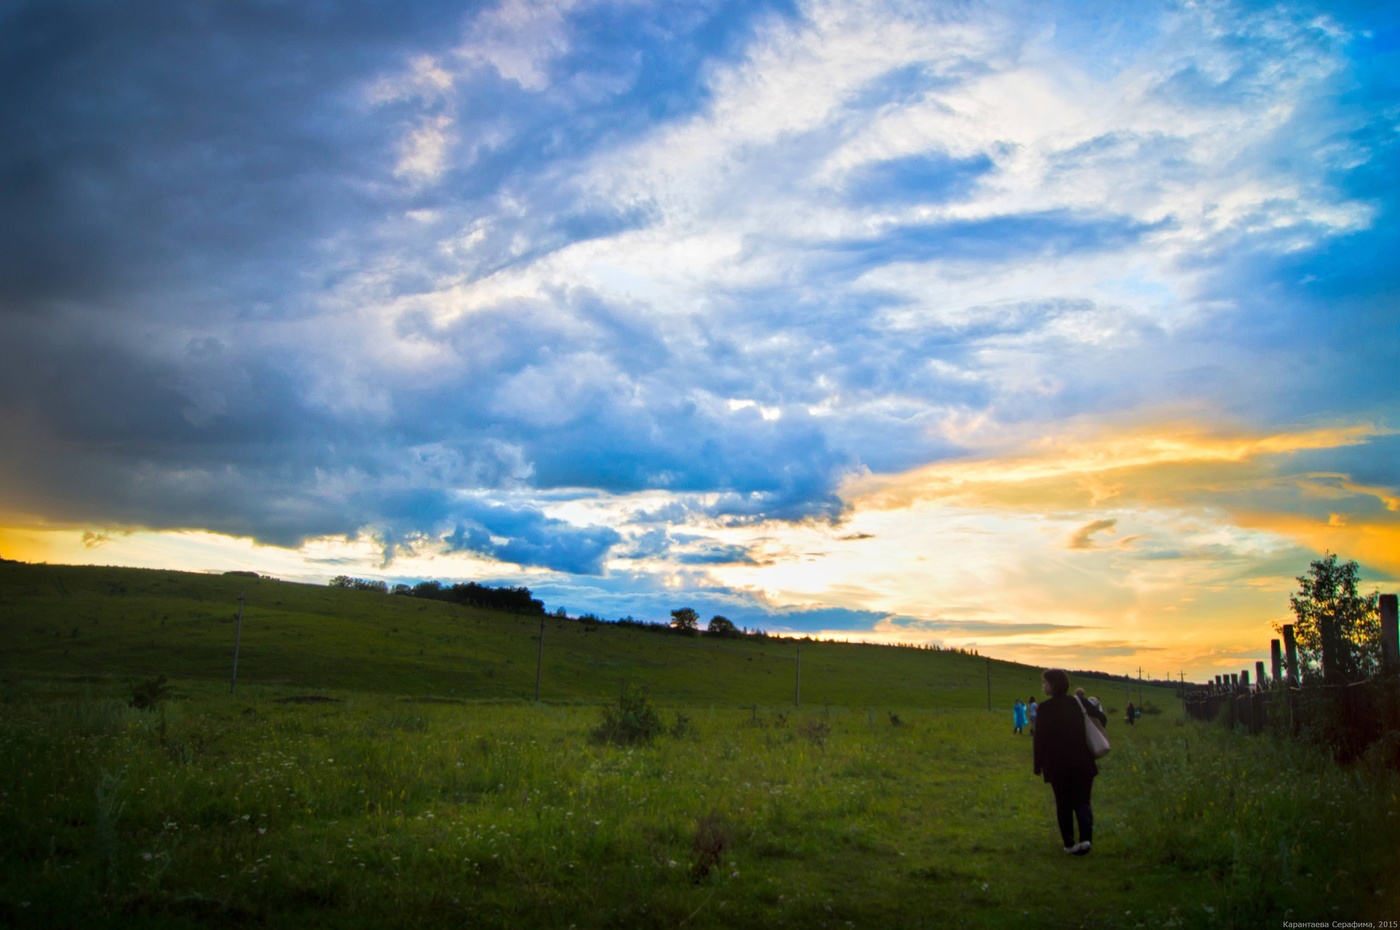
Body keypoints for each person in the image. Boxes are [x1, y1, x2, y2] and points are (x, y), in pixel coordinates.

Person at [1033, 668, 1108, 855]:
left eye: (1045, 682)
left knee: (1063, 803)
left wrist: (1037, 765)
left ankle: (1069, 844)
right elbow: (1101, 717)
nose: (1043, 686)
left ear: (1053, 685)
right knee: (1083, 802)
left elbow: (1039, 739)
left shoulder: (1044, 708)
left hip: (1057, 765)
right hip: (1083, 761)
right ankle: (1086, 841)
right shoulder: (1079, 701)